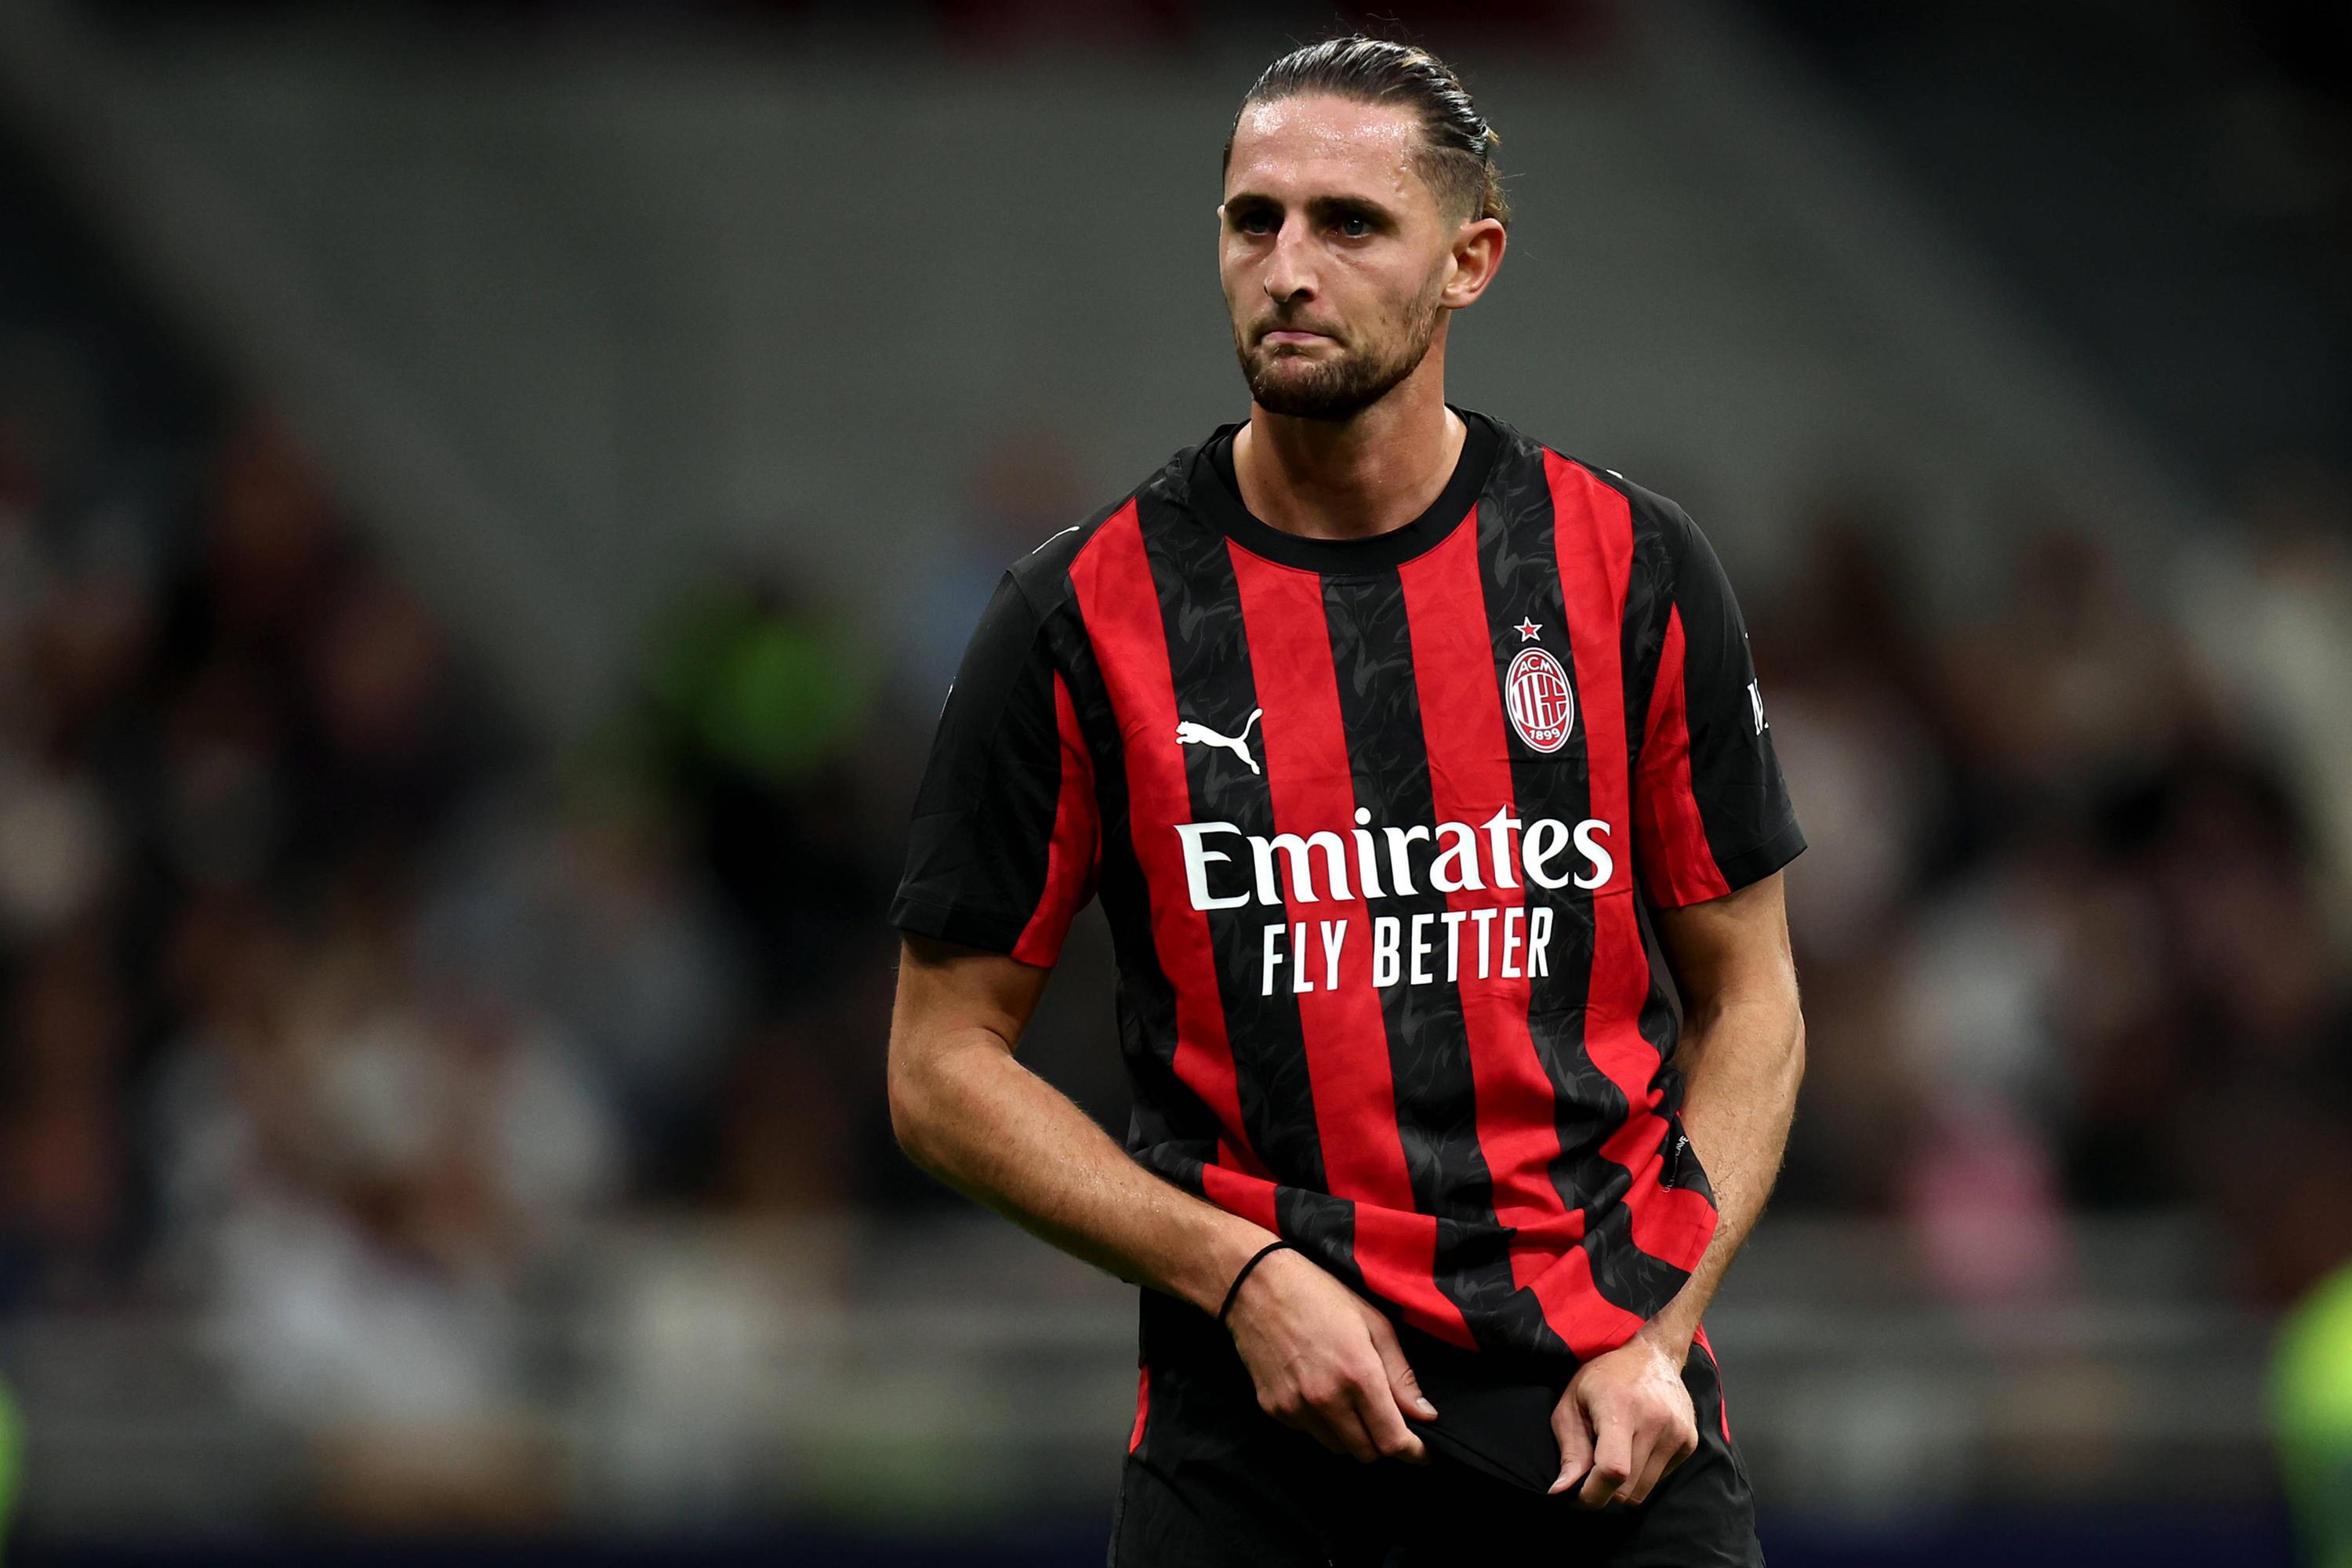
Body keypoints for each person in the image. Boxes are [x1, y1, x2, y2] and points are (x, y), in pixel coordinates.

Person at [886, 35, 1806, 1566]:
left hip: (1604, 1418)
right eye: (1254, 221)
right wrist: (1236, 1274)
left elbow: (1753, 998)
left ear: (1470, 263)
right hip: (1258, 1432)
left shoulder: (1632, 567)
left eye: (1350, 223)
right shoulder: (1078, 613)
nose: (1289, 268)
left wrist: (1662, 1326)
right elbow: (935, 1069)